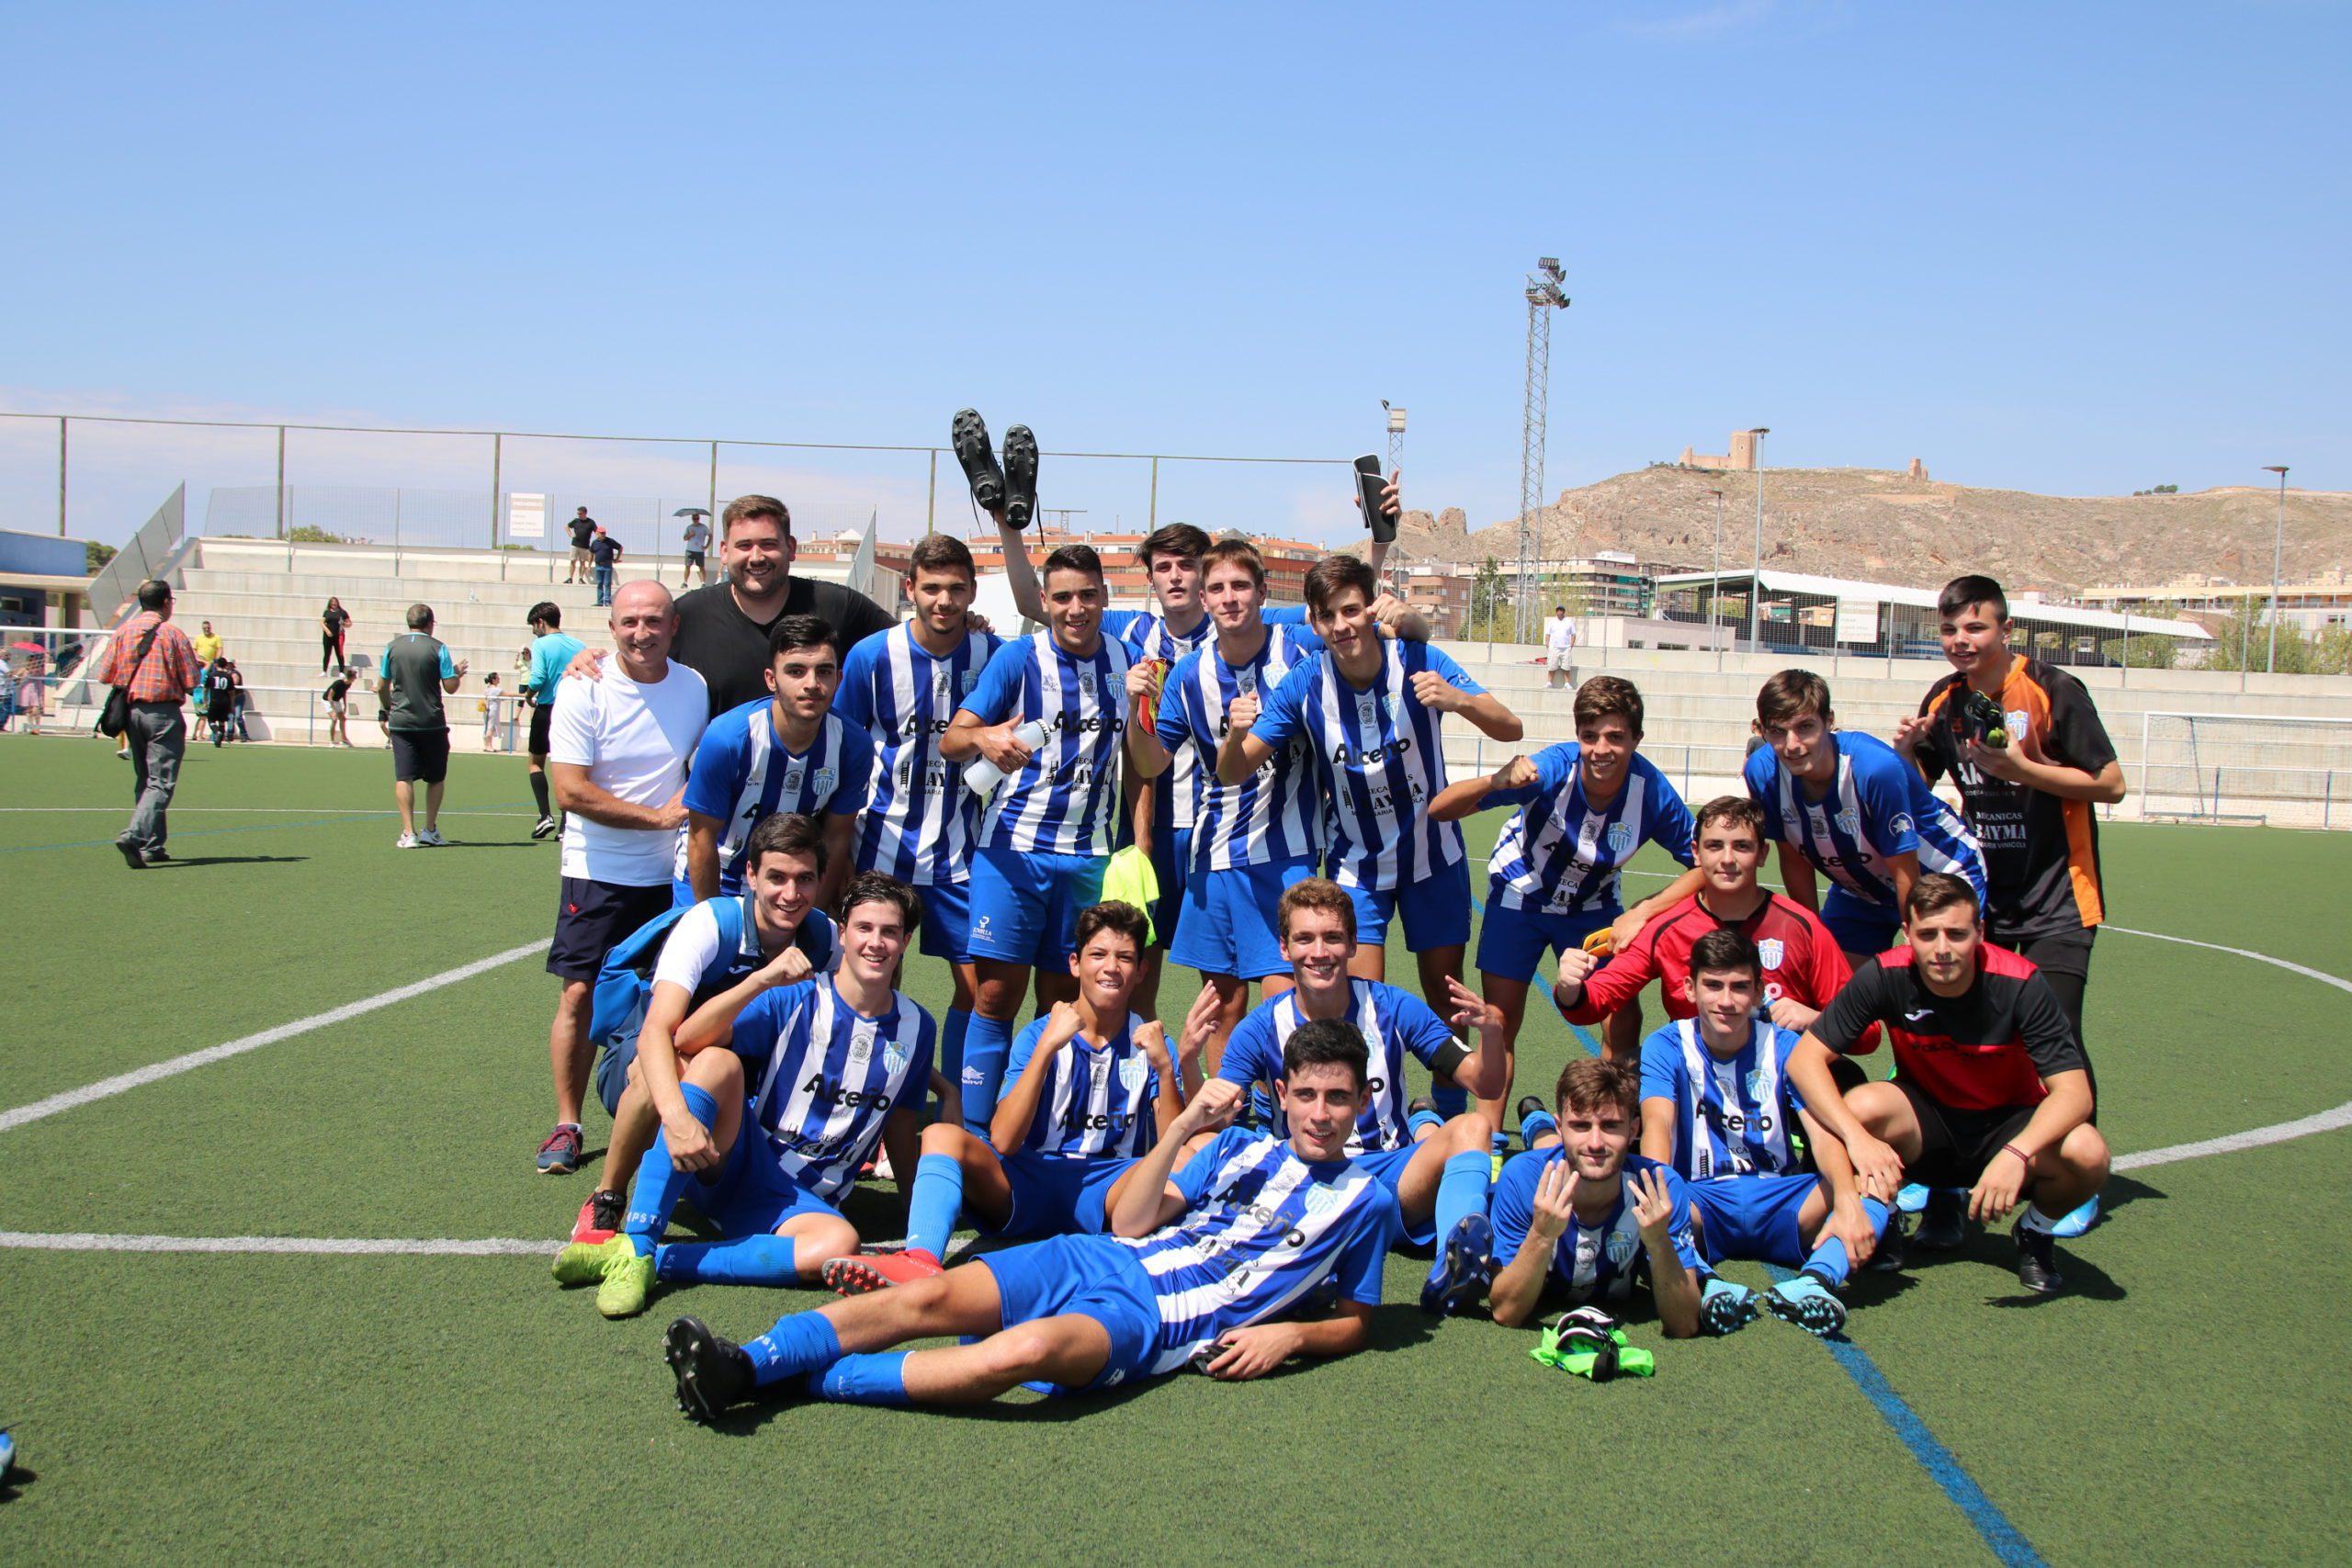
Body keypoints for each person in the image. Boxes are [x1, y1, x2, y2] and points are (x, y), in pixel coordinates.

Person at [656, 1020, 1399, 1421]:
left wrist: (1291, 1333)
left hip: (1158, 1319)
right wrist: (1177, 1133)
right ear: (1283, 1091)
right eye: (1307, 1095)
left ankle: (804, 1378)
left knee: (1018, 1353)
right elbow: (1136, 1223)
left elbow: (1358, 1317)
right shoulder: (1236, 1145)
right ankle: (748, 1362)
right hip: (1100, 1257)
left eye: (1338, 1099)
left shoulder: (1367, 1201)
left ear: (1362, 1101)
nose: (1322, 1114)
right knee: (927, 1296)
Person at [551, 873, 933, 1316]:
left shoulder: (918, 1028)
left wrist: (913, 1216)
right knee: (716, 1062)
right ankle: (638, 1240)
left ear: (905, 942)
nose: (875, 943)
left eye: (889, 932)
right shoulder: (794, 998)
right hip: (735, 1161)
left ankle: (656, 1260)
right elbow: (688, 1038)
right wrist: (760, 982)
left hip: (803, 1205)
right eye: (864, 928)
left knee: (841, 1242)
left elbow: (903, 1127)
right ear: (842, 933)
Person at [1895, 574, 2125, 1238]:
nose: (1961, 640)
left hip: (2059, 898)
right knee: (1962, 1036)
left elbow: (2110, 783)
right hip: (1984, 903)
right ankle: (1946, 1171)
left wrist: (2023, 771)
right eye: (1949, 629)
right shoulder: (1946, 698)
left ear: (2005, 630)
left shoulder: (2052, 690)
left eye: (1975, 627)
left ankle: (2069, 1180)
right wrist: (1908, 753)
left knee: (2056, 1038)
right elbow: (1921, 791)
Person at [823, 901, 1198, 1292]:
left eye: (1124, 958)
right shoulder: (1040, 1034)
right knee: (940, 1136)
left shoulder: (1151, 1041)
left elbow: (1172, 1145)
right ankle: (921, 1260)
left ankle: (1197, 1254)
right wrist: (1047, 1049)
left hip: (1109, 1185)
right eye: (1098, 954)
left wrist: (1166, 1070)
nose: (1110, 967)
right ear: (1075, 963)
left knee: (1190, 1157)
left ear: (1141, 971)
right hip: (1027, 1179)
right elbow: (1004, 1139)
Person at [1217, 553, 1521, 1029]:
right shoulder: (1306, 682)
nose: (1341, 625)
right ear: (1314, 623)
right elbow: (1233, 771)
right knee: (1358, 1005)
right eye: (1327, 616)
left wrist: (1459, 700)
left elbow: (1511, 728)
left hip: (1433, 860)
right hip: (1356, 867)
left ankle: (1443, 1101)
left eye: (1351, 610)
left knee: (1446, 1000)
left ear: (1371, 610)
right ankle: (1369, 1103)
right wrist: (1235, 734)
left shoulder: (1418, 659)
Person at [1784, 873, 2109, 1295]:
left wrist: (2017, 1152)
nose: (1941, 949)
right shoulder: (1887, 972)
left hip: (2006, 1125)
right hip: (1927, 1120)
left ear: (1980, 933)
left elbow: (2074, 1092)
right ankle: (1884, 1214)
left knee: (2089, 1153)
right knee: (1859, 1108)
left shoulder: (2021, 982)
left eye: (1956, 934)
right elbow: (1804, 1060)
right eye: (1928, 934)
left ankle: (2035, 1231)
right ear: (1907, 934)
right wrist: (1856, 1138)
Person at [1214, 877, 1506, 1315]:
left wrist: (1493, 1034)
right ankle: (1313, 1259)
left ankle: (1455, 1264)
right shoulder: (1260, 1027)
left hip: (1388, 1171)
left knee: (1475, 1126)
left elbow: (1484, 1084)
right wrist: (1182, 1063)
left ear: (1353, 944)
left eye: (1333, 938)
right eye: (1304, 939)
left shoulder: (1391, 1006)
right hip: (1302, 1179)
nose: (1319, 952)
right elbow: (1217, 1121)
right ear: (1284, 948)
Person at [941, 543, 1153, 1135]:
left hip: (1087, 862)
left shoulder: (1131, 663)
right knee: (993, 996)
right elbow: (952, 740)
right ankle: (976, 1132)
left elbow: (1140, 765)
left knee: (1064, 1004)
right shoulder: (1016, 659)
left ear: (1105, 598)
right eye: (1062, 597)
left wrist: (1138, 850)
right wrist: (984, 740)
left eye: (1088, 595)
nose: (1076, 608)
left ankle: (1037, 1124)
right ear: (1043, 602)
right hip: (1012, 854)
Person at [1426, 674, 1699, 1130]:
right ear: (1577, 737)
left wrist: (1643, 911)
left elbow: (1703, 862)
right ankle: (1485, 1139)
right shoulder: (1551, 770)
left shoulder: (1651, 792)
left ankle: (1614, 1123)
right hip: (1521, 896)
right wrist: (1497, 778)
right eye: (1589, 737)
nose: (1601, 749)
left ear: (1637, 739)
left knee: (1621, 1014)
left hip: (1592, 906)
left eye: (1615, 737)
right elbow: (1440, 809)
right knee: (1500, 1019)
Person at [570, 812, 843, 1244]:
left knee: (722, 1066)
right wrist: (678, 1117)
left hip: (734, 1073)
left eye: (805, 879)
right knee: (655, 1068)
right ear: (751, 875)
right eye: (777, 877)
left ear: (821, 879)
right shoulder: (711, 924)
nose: (791, 894)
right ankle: (607, 1200)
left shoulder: (824, 939)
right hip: (649, 1063)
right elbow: (657, 1031)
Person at [1634, 930, 1894, 1337]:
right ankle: (1706, 1283)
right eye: (1713, 986)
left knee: (1873, 1186)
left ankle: (1815, 1281)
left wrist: (1845, 1199)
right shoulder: (1666, 1045)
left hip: (1781, 1199)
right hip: (1701, 1201)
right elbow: (1658, 1125)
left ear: (1758, 993)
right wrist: (1659, 1193)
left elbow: (1821, 1134)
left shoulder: (1787, 1045)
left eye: (1740, 988)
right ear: (1689, 988)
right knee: (1642, 1192)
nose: (1726, 1000)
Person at [1130, 539, 1328, 1063]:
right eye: (1217, 587)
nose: (1229, 597)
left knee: (1286, 1001)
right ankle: (1224, 1123)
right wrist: (1134, 710)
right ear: (1204, 595)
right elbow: (1151, 763)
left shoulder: (1299, 652)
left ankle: (1284, 1120)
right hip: (1213, 854)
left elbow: (1358, 619)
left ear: (1263, 591)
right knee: (1222, 1006)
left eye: (1240, 585)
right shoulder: (1189, 673)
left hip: (1287, 854)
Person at [537, 581, 708, 1176]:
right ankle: (567, 1121)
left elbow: (704, 765)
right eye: (630, 621)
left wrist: (681, 815)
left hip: (672, 873)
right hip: (598, 870)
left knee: (674, 999)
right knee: (580, 994)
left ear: (673, 626)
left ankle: (658, 1114)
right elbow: (570, 790)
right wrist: (659, 816)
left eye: (654, 620)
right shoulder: (583, 685)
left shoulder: (695, 687)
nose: (642, 632)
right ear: (611, 627)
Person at [834, 533, 1004, 1100]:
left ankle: (959, 1101)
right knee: (872, 981)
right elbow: (842, 741)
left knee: (982, 988)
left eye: (956, 588)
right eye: (931, 587)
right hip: (879, 845)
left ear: (972, 592)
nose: (944, 600)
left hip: (963, 850)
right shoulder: (871, 656)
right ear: (910, 589)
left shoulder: (994, 654)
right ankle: (870, 1102)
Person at [1552, 795, 1860, 1052]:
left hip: (1784, 1082)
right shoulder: (1667, 928)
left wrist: (1815, 1019)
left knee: (1858, 1097)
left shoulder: (1801, 925)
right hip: (1693, 1080)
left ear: (1763, 854)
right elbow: (1591, 1005)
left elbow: (1865, 1033)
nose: (1727, 859)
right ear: (1697, 853)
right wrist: (1569, 986)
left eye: (1741, 846)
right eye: (1715, 846)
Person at [1747, 668, 1986, 965]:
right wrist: (1813, 938)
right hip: (1862, 887)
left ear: (1829, 721)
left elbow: (1905, 870)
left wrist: (1917, 942)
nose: (1792, 745)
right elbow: (1794, 859)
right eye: (1777, 731)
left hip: (1938, 875)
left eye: (1805, 727)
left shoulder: (1873, 768)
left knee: (1937, 984)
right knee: (1835, 989)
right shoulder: (1762, 772)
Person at [1485, 1056, 1708, 1336]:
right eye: (1579, 1126)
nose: (1595, 1142)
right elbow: (1506, 1311)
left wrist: (1660, 1243)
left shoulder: (1659, 1187)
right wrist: (1542, 1234)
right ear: (1561, 1127)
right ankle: (1534, 1123)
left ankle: (1535, 1122)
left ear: (1634, 1130)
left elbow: (1685, 1323)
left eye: (1611, 1125)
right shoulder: (1523, 1180)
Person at [678, 615, 873, 910]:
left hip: (792, 884)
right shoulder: (728, 739)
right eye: (796, 671)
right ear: (771, 679)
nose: (812, 684)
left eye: (824, 671)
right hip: (718, 876)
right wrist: (711, 920)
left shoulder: (853, 744)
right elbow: (701, 838)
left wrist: (813, 916)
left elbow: (836, 838)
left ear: (839, 679)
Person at [94, 580, 199, 869]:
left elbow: (105, 675)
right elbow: (192, 682)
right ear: (167, 602)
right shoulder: (172, 635)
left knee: (145, 779)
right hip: (163, 712)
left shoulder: (122, 632)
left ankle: (153, 845)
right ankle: (134, 835)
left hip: (132, 712)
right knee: (161, 781)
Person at [378, 604, 469, 848]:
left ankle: (408, 833)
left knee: (404, 776)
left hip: (402, 721)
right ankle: (429, 829)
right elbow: (449, 686)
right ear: (430, 623)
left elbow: (381, 686)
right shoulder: (438, 647)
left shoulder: (392, 647)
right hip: (431, 722)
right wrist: (457, 673)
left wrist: (388, 709)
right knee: (436, 778)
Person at [521, 602, 585, 840]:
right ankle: (566, 825)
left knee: (536, 763)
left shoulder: (540, 644)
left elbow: (537, 678)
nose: (533, 631)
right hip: (573, 711)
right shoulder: (578, 644)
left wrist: (528, 695)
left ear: (540, 622)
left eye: (533, 626)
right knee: (568, 764)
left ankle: (544, 815)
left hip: (547, 708)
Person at [201, 658, 240, 746]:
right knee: (222, 721)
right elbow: (232, 693)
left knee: (211, 720)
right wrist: (232, 705)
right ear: (225, 665)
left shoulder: (211, 675)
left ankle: (216, 731)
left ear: (216, 664)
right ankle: (219, 740)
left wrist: (205, 701)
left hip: (214, 701)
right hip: (225, 702)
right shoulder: (228, 676)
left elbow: (205, 689)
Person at [1543, 604, 1577, 689]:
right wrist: (1548, 645)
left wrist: (1571, 645)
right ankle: (1549, 682)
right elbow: (1547, 634)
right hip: (1554, 647)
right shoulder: (1552, 622)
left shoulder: (1569, 622)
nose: (1559, 612)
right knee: (1552, 666)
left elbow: (1573, 634)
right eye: (1558, 610)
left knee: (1566, 666)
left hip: (1565, 648)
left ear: (1563, 612)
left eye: (1561, 610)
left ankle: (1567, 683)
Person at [590, 526, 624, 607]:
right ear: (597, 533)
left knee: (607, 584)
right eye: (601, 533)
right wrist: (589, 565)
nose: (603, 535)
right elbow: (591, 553)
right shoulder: (594, 543)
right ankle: (600, 601)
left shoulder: (610, 541)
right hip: (598, 565)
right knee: (599, 583)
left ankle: (607, 601)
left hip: (607, 565)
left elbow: (620, 547)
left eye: (604, 533)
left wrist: (616, 559)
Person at [322, 666, 354, 748]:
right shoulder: (338, 683)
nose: (355, 679)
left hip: (336, 701)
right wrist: (334, 710)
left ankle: (344, 739)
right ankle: (332, 741)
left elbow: (344, 694)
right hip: (328, 700)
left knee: (343, 719)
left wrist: (345, 705)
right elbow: (329, 696)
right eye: (354, 677)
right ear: (351, 677)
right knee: (334, 719)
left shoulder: (348, 684)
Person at [565, 507, 596, 583]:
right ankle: (570, 578)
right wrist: (570, 534)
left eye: (580, 513)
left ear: (585, 513)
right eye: (578, 513)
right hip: (575, 545)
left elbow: (596, 531)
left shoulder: (591, 522)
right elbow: (566, 526)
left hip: (585, 546)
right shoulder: (576, 521)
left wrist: (596, 541)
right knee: (573, 561)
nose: (579, 515)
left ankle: (581, 578)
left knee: (583, 562)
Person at [680, 511, 711, 587]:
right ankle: (685, 582)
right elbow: (684, 538)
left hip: (699, 551)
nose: (696, 520)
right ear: (692, 519)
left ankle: (703, 582)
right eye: (694, 519)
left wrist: (706, 546)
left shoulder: (703, 527)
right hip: (690, 550)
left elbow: (710, 535)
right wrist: (690, 535)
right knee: (687, 566)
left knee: (701, 567)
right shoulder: (689, 527)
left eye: (697, 518)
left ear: (699, 518)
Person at [320, 598, 348, 673]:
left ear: (337, 603)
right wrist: (327, 631)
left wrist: (344, 624)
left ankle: (341, 671)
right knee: (327, 654)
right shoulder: (326, 612)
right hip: (328, 636)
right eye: (332, 602)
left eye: (335, 602)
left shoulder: (342, 612)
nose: (333, 603)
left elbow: (349, 623)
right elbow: (322, 622)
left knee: (339, 654)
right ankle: (324, 671)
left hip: (338, 636)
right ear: (330, 603)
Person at [481, 671, 507, 751]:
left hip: (487, 709)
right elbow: (508, 694)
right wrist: (523, 695)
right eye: (498, 678)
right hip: (493, 709)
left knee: (487, 727)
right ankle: (489, 746)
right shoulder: (496, 690)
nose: (499, 679)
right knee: (490, 727)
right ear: (494, 680)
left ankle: (486, 745)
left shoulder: (487, 689)